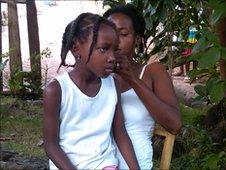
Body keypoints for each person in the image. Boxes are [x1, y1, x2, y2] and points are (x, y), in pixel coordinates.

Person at [43, 13, 139, 170]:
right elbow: (51, 146)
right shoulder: (56, 90)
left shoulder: (112, 85)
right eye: (103, 49)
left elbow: (120, 134)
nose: (112, 57)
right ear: (76, 49)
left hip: (104, 164)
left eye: (114, 50)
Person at [104, 4, 182, 169]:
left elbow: (174, 125)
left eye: (123, 34)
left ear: (137, 39)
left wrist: (132, 79)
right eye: (109, 34)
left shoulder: (153, 72)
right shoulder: (97, 77)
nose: (115, 41)